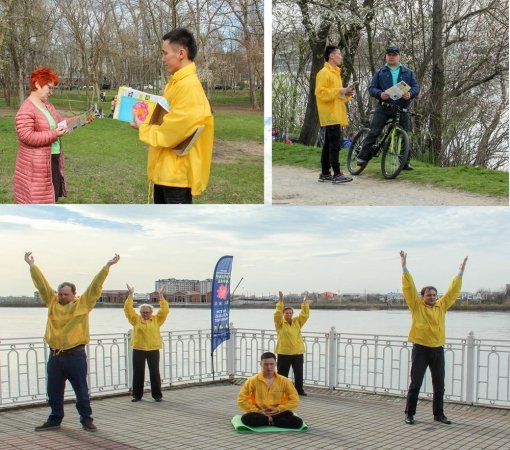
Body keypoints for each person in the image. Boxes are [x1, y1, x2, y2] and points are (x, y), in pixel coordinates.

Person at [24, 251, 120, 432]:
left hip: (75, 355)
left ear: (75, 295)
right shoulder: (52, 302)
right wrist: (32, 266)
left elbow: (95, 287)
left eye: (66, 294)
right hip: (55, 355)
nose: (62, 297)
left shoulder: (82, 304)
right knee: (53, 390)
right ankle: (55, 419)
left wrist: (106, 267)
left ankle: (86, 419)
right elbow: (42, 285)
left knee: (81, 391)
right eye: (60, 294)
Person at [130, 28, 214, 204]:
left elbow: (172, 132)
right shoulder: (176, 83)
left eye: (165, 53)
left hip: (176, 176)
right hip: (165, 172)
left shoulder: (189, 87)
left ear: (181, 53)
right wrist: (129, 109)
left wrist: (143, 128)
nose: (163, 59)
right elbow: (161, 118)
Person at [400, 250, 468, 426]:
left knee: (439, 384)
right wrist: (404, 268)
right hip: (420, 349)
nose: (431, 297)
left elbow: (453, 292)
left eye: (434, 294)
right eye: (428, 294)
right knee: (415, 383)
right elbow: (409, 289)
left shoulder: (441, 306)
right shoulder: (416, 306)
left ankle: (439, 414)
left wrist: (460, 273)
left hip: (437, 349)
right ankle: (409, 414)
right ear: (422, 297)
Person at [14, 67, 77, 203]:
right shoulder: (26, 109)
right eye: (49, 88)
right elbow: (26, 136)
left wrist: (80, 119)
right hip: (37, 167)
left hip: (52, 161)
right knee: (39, 205)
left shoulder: (47, 106)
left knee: (51, 199)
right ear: (37, 84)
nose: (51, 92)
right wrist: (54, 134)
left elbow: (60, 123)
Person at [356, 45, 420, 171]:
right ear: (386, 57)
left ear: (399, 57)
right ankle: (362, 158)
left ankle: (404, 163)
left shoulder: (408, 72)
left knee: (403, 135)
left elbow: (416, 87)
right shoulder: (380, 72)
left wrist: (410, 94)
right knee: (374, 132)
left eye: (394, 55)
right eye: (389, 55)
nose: (391, 57)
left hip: (401, 109)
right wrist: (380, 94)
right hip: (384, 107)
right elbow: (371, 88)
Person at [315, 46, 354, 184]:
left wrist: (347, 93)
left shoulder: (335, 73)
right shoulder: (324, 73)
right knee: (335, 144)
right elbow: (320, 93)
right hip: (330, 114)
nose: (341, 56)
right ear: (332, 56)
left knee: (328, 144)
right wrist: (340, 90)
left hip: (336, 112)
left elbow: (338, 94)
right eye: (339, 54)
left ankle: (325, 173)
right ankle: (337, 173)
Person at [124, 284, 169, 402]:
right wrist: (130, 295)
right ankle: (137, 395)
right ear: (140, 312)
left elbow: (165, 310)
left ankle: (157, 395)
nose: (145, 314)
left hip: (153, 349)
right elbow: (128, 310)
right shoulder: (135, 319)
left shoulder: (157, 320)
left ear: (151, 312)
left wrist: (161, 296)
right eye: (143, 312)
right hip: (138, 348)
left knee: (154, 372)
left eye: (147, 312)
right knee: (138, 372)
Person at [237, 352, 303, 429]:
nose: (269, 367)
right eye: (266, 364)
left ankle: (268, 420)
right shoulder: (252, 380)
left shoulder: (284, 381)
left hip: (278, 412)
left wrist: (278, 409)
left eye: (271, 364)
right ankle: (273, 421)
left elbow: (295, 400)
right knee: (247, 419)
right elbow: (241, 400)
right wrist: (257, 410)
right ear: (261, 364)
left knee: (298, 422)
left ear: (276, 364)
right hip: (259, 413)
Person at [274, 291, 309, 396]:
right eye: (286, 313)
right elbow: (277, 314)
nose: (288, 314)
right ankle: (281, 391)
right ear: (284, 314)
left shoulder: (297, 322)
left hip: (297, 352)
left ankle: (299, 389)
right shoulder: (280, 324)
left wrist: (305, 302)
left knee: (299, 373)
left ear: (292, 314)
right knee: (282, 374)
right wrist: (280, 302)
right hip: (284, 352)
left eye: (290, 313)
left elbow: (305, 315)